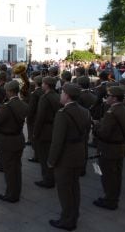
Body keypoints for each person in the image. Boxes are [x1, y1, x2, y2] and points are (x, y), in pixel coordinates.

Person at [47, 83, 90, 231]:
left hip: (65, 157)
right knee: (74, 188)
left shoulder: (62, 114)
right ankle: (73, 215)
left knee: (65, 190)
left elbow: (57, 142)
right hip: (78, 154)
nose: (60, 95)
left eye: (62, 93)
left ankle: (67, 220)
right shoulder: (85, 111)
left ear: (67, 95)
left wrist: (52, 160)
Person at [92, 86, 125, 210]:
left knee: (108, 175)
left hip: (109, 149)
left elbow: (104, 133)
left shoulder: (111, 113)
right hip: (120, 147)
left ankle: (110, 200)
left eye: (108, 96)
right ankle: (112, 197)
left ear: (114, 98)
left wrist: (96, 127)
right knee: (116, 175)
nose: (106, 98)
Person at [0, 80, 28, 203]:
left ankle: (11, 195)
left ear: (9, 91)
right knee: (17, 168)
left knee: (9, 170)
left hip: (7, 141)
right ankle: (15, 192)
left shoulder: (6, 107)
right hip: (19, 138)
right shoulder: (23, 104)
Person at [33, 76, 61, 188]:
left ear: (47, 85)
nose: (42, 85)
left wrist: (35, 132)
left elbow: (40, 117)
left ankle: (47, 180)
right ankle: (52, 177)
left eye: (43, 84)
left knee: (44, 157)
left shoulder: (44, 98)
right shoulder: (57, 95)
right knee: (50, 154)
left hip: (45, 130)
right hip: (54, 127)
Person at [26, 75, 43, 162]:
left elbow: (31, 108)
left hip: (35, 117)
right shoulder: (44, 91)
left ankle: (36, 156)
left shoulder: (35, 93)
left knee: (35, 137)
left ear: (36, 83)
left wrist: (28, 118)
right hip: (42, 117)